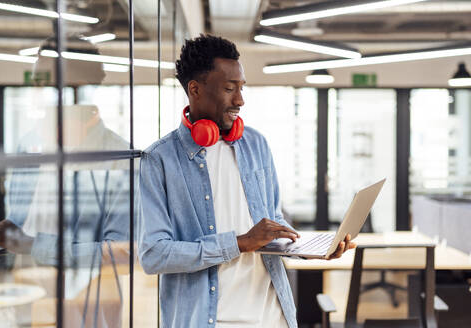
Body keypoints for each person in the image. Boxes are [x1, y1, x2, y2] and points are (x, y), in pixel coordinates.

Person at [137, 34, 355, 328]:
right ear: (195, 89)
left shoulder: (256, 145)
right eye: (229, 89)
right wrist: (239, 243)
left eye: (241, 88)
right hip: (210, 320)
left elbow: (271, 225)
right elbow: (154, 255)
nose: (240, 100)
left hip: (273, 317)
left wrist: (309, 249)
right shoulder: (160, 160)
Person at [0, 36, 131, 328]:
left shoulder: (119, 159)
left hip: (90, 300)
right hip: (28, 292)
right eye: (39, 85)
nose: (42, 96)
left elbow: (120, 251)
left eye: (50, 86)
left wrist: (31, 245)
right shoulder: (29, 145)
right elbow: (14, 229)